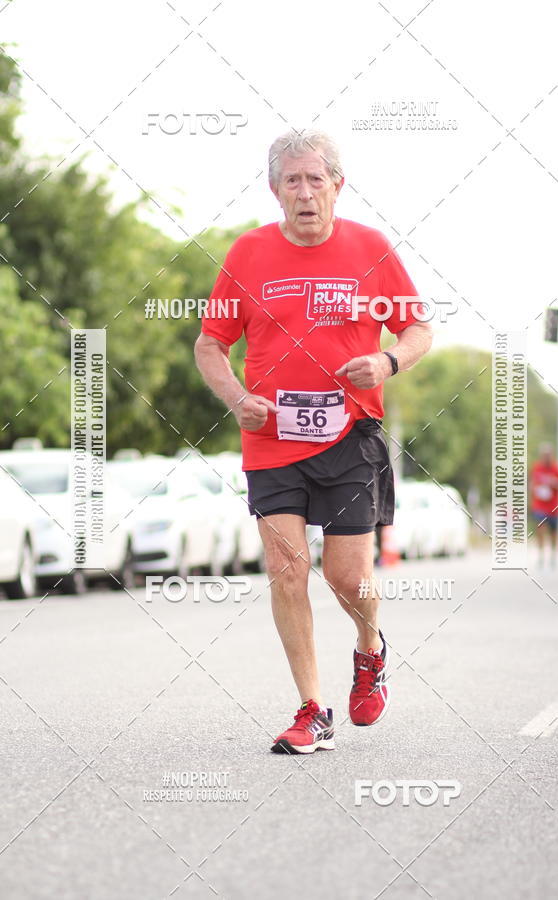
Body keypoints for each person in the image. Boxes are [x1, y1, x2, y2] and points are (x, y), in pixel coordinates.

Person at [194, 129, 432, 754]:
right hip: (272, 438)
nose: (304, 193)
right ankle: (311, 709)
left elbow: (416, 328)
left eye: (315, 180)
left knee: (347, 577)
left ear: (337, 186)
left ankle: (370, 648)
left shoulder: (371, 249)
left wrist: (387, 363)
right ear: (275, 190)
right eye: (291, 181)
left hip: (350, 434)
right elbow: (210, 344)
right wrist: (237, 399)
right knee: (286, 569)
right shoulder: (247, 254)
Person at [530, 443, 558, 567]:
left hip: (554, 508)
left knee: (553, 533)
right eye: (544, 455)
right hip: (539, 506)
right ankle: (541, 555)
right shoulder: (537, 467)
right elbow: (532, 483)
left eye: (548, 455)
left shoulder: (556, 468)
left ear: (551, 455)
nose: (546, 457)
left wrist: (555, 482)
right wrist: (534, 490)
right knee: (540, 529)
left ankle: (553, 554)